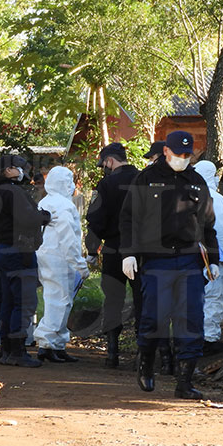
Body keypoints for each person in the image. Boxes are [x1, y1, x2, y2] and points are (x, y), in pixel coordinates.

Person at [119, 130, 218, 399]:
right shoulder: (146, 179)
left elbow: (208, 224)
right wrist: (128, 253)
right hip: (156, 259)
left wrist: (214, 258)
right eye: (177, 154)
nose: (182, 159)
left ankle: (184, 383)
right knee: (154, 318)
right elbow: (129, 219)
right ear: (165, 151)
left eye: (187, 155)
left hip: (188, 259)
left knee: (191, 320)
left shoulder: (196, 182)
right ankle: (146, 366)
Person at [0, 154, 50, 367]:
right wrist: (45, 217)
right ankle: (17, 351)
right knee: (24, 303)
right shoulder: (13, 192)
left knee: (8, 301)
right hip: (18, 252)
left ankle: (7, 350)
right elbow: (28, 219)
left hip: (1, 251)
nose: (23, 171)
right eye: (19, 167)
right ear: (8, 171)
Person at [85, 142, 142, 368]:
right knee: (142, 300)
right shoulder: (144, 179)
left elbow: (95, 221)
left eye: (104, 164)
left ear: (109, 161)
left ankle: (112, 353)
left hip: (114, 249)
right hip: (141, 250)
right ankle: (143, 354)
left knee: (113, 301)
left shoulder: (106, 184)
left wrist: (91, 250)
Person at [34, 166, 88, 362]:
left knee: (55, 300)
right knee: (60, 302)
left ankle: (56, 344)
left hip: (45, 256)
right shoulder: (65, 206)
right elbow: (69, 239)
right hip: (59, 259)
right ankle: (47, 344)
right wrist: (80, 265)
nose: (73, 185)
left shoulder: (46, 201)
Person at [193, 160, 223, 354]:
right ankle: (209, 339)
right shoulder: (215, 198)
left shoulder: (190, 196)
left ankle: (197, 337)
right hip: (217, 257)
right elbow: (221, 230)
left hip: (197, 256)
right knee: (216, 297)